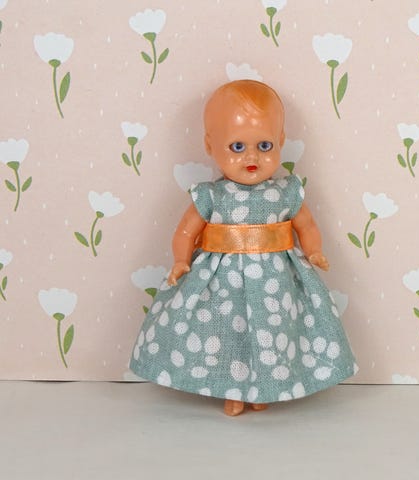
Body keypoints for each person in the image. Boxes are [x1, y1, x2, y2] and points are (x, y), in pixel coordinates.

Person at [129, 79, 356, 416]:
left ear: (281, 141)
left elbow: (307, 226)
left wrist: (314, 251)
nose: (252, 157)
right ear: (210, 145)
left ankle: (264, 388)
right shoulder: (211, 195)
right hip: (223, 284)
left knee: (273, 334)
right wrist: (180, 260)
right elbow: (185, 231)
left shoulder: (286, 191)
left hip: (276, 283)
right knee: (225, 337)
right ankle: (232, 392)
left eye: (264, 145)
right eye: (237, 147)